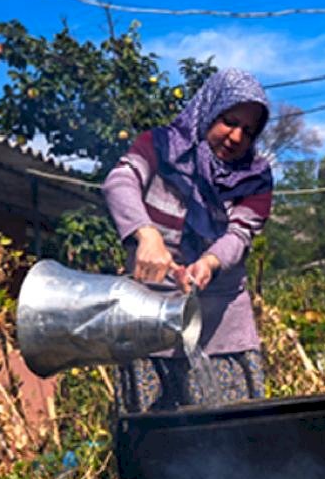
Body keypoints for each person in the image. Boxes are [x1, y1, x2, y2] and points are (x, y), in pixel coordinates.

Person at [102, 68, 274, 413]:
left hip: (219, 321)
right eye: (229, 121)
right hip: (147, 314)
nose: (237, 136)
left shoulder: (255, 176)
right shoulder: (158, 145)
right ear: (209, 108)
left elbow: (239, 234)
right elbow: (120, 181)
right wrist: (146, 233)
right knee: (153, 442)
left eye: (248, 131)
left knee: (234, 434)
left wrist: (209, 263)